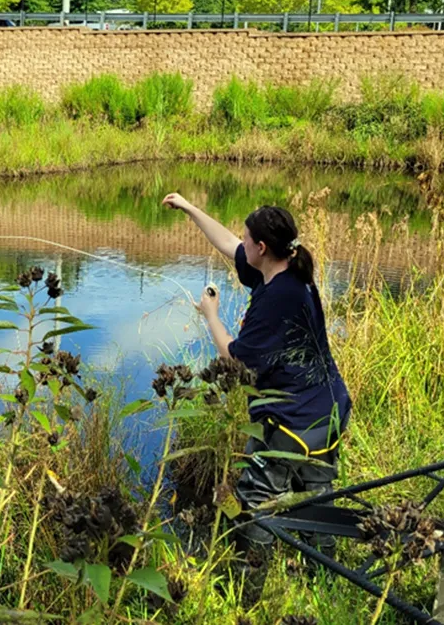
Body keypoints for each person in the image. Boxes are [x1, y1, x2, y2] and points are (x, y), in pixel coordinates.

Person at [162, 193, 351, 594]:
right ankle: (326, 582)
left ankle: (248, 592)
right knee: (317, 495)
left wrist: (211, 315)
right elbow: (230, 244)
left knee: (256, 502)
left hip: (292, 419)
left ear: (262, 248)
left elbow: (236, 358)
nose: (241, 244)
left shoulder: (277, 299)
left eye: (249, 239)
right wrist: (191, 208)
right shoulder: (287, 274)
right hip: (327, 409)